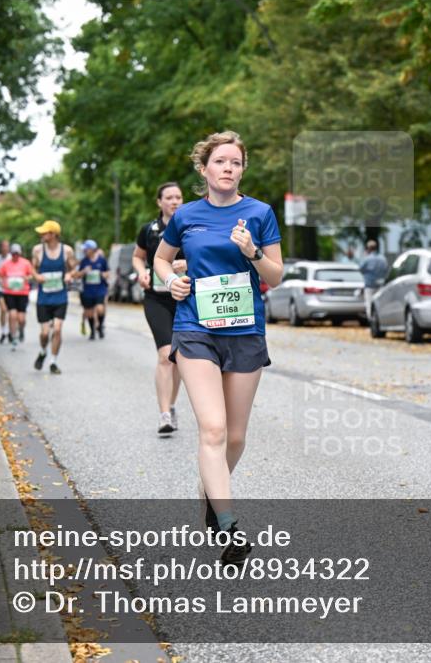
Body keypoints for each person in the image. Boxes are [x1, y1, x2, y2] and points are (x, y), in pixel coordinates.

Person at [153, 131, 282, 566]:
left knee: (236, 436)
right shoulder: (186, 216)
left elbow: (277, 275)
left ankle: (210, 491)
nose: (229, 168)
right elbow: (160, 258)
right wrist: (171, 281)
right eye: (221, 161)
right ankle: (228, 526)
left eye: (236, 163)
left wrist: (253, 253)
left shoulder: (260, 213)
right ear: (204, 169)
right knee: (212, 429)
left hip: (245, 332)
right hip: (195, 329)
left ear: (243, 169)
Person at [134, 182, 187, 436]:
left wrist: (184, 263)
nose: (174, 201)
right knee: (166, 354)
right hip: (157, 298)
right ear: (159, 202)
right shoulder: (150, 230)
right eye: (169, 197)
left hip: (184, 297)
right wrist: (141, 272)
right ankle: (165, 414)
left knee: (177, 359)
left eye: (178, 197)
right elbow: (137, 256)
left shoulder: (191, 228)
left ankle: (172, 404)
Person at [31, 220, 76, 374]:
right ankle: (43, 351)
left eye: (45, 232)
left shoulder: (67, 251)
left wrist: (70, 275)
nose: (42, 234)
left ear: (53, 234)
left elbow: (73, 268)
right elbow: (32, 269)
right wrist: (37, 277)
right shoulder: (37, 250)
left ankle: (53, 362)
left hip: (60, 297)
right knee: (44, 333)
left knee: (57, 330)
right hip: (43, 298)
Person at [0, 243, 36, 349]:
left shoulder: (26, 263)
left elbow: (32, 274)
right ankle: (13, 336)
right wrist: (1, 283)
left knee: (21, 318)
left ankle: (21, 330)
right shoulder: (6, 264)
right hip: (9, 293)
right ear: (11, 253)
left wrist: (27, 278)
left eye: (17, 254)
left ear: (20, 253)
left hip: (22, 293)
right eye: (13, 254)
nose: (15, 256)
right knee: (12, 315)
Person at [74, 240, 110, 340]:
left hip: (100, 289)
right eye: (84, 249)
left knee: (100, 308)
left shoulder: (102, 260)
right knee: (89, 312)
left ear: (92, 249)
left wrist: (102, 274)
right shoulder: (84, 261)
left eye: (86, 249)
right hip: (87, 290)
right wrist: (84, 271)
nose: (85, 250)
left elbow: (108, 273)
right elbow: (76, 275)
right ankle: (92, 331)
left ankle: (100, 326)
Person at [358, 239, 388, 320]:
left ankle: (371, 322)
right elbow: (386, 270)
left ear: (368, 248)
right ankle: (379, 321)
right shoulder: (383, 258)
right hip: (380, 285)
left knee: (369, 304)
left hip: (369, 285)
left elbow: (360, 269)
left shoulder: (367, 259)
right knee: (379, 304)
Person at [0, 240, 12, 343]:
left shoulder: (12, 258)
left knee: (11, 312)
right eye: (4, 246)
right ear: (1, 248)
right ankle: (3, 331)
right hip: (0, 287)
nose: (5, 248)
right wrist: (0, 281)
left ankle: (10, 331)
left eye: (7, 246)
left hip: (11, 288)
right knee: (3, 310)